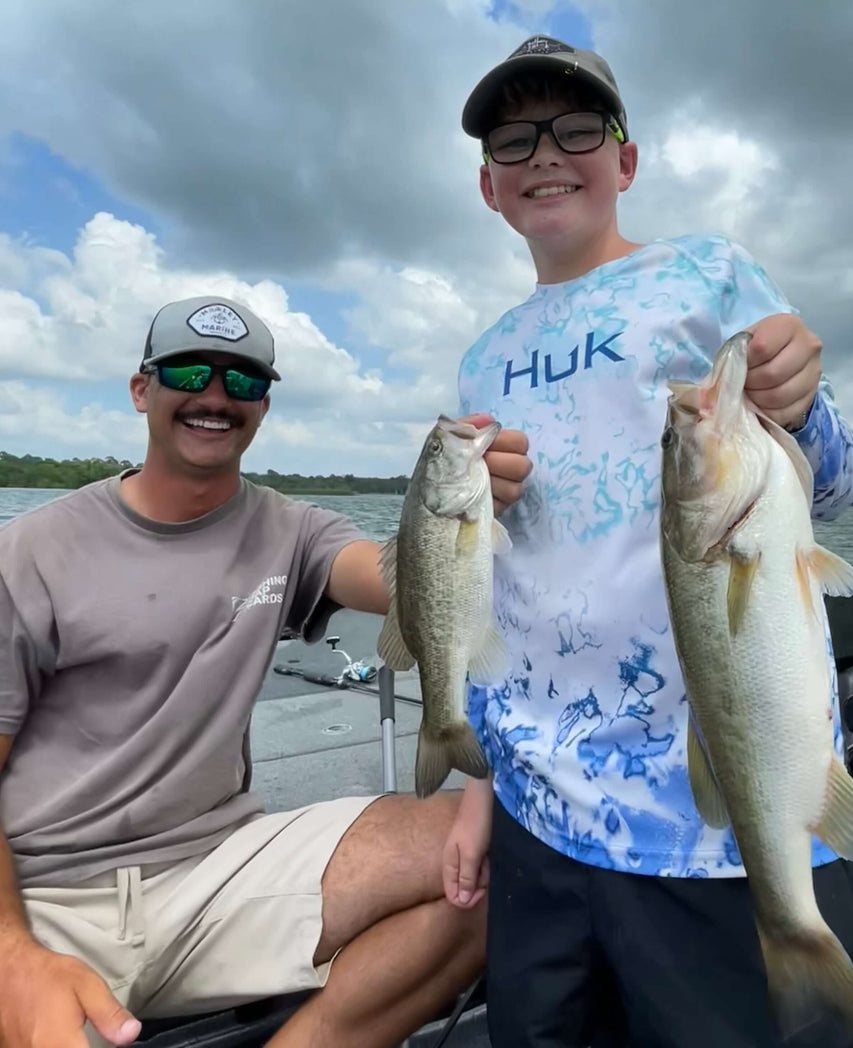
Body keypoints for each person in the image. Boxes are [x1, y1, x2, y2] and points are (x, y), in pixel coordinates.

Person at [441, 36, 853, 1047]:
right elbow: (501, 584)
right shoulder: (484, 360)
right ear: (488, 186)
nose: (546, 154)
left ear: (626, 161)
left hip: (721, 824)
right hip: (539, 816)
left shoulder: (710, 272)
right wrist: (483, 783)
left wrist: (805, 402)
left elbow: (836, 485)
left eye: (576, 129)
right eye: (515, 140)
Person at [0, 296, 525, 1048]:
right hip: (45, 895)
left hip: (219, 864)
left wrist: (489, 506)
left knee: (488, 863)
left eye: (242, 383)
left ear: (264, 406)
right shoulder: (29, 551)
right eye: (189, 371)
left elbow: (403, 584)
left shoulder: (292, 527)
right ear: (142, 389)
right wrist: (12, 954)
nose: (215, 397)